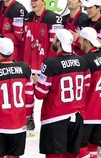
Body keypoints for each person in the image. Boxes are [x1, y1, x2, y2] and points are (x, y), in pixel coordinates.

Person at [33, 28, 90, 157]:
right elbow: (86, 87)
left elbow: (40, 94)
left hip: (55, 118)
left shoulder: (50, 64)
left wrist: (37, 82)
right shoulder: (83, 61)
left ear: (58, 43)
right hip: (77, 116)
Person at [22, 0, 63, 132]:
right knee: (27, 94)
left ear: (43, 2)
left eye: (36, 0)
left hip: (46, 66)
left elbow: (55, 45)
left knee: (50, 95)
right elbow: (24, 42)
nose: (33, 3)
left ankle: (53, 120)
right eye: (31, 0)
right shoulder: (27, 17)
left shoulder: (53, 18)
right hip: (29, 64)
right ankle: (28, 119)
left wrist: (48, 68)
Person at [78, 27, 101, 158]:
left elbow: (83, 87)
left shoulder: (85, 60)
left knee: (80, 146)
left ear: (87, 41)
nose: (79, 42)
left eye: (81, 39)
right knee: (93, 146)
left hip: (88, 111)